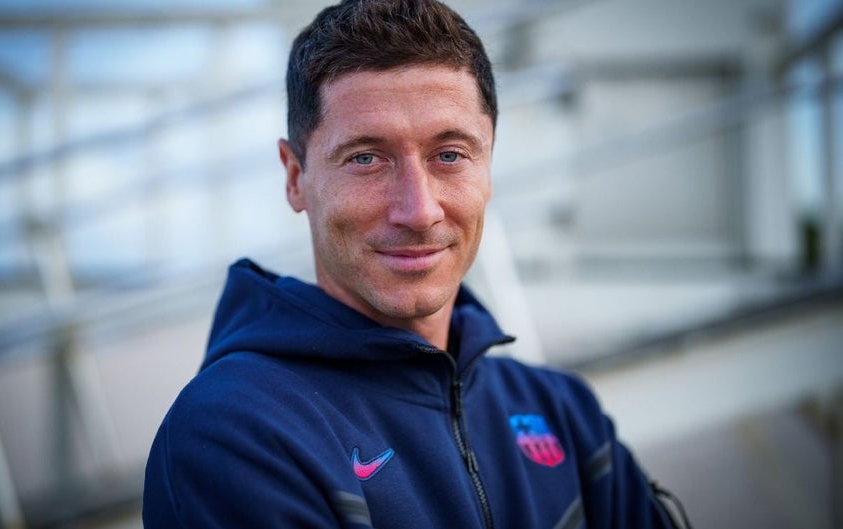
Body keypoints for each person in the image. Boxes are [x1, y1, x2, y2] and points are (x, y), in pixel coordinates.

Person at [143, 1, 690, 528]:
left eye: (449, 155)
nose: (419, 210)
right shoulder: (234, 430)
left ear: (489, 165)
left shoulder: (567, 416)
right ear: (294, 178)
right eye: (366, 158)